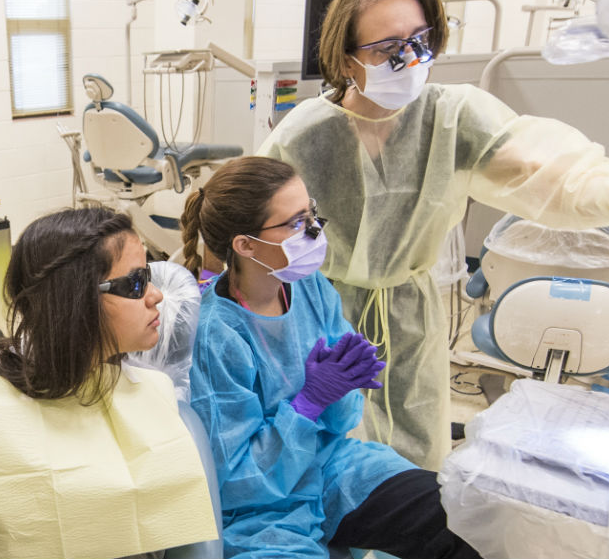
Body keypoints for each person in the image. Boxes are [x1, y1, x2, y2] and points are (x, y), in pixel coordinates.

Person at [257, 0, 609, 471]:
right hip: (321, 311)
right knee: (325, 439)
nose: (410, 60)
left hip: (409, 309)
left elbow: (545, 165)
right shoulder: (306, 134)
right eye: (388, 48)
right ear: (346, 56)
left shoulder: (452, 115)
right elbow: (251, 221)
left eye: (420, 41)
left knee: (415, 440)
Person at [180, 156, 481, 559]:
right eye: (296, 222)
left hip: (337, 469)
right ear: (246, 244)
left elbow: (340, 425)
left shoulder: (310, 288)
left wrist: (343, 386)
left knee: (467, 521)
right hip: (263, 512)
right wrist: (308, 405)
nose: (315, 230)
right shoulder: (217, 335)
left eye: (312, 214)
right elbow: (237, 481)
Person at [0, 207, 220, 559]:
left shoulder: (151, 391)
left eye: (148, 276)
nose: (157, 296)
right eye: (136, 283)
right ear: (76, 298)